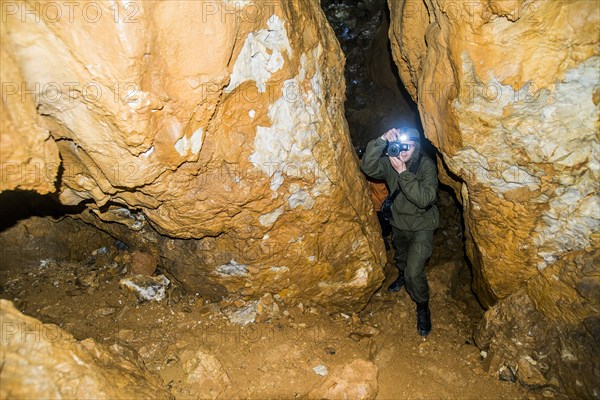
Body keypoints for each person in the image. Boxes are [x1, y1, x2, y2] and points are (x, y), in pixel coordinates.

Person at [361, 127, 439, 336]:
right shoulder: (390, 161)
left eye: (409, 146)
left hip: (422, 225)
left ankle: (422, 305)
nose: (403, 151)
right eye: (401, 146)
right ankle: (403, 275)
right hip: (399, 224)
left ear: (416, 147)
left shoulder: (425, 166)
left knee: (415, 271)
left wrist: (403, 173)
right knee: (403, 259)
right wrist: (381, 140)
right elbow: (367, 167)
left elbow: (424, 199)